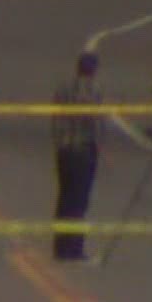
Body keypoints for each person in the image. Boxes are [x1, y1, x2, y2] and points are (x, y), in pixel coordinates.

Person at [51, 52, 104, 260]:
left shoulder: (63, 88)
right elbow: (94, 121)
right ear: (94, 70)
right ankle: (74, 248)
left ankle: (60, 246)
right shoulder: (93, 89)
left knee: (64, 198)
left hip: (63, 150)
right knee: (78, 201)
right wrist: (100, 147)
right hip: (82, 151)